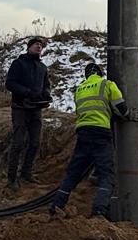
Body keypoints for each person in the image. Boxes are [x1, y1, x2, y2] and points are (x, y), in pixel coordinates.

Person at [49, 62, 128, 219]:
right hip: (101, 132)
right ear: (99, 73)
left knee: (73, 173)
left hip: (83, 132)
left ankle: (56, 206)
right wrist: (128, 115)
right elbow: (121, 109)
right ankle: (99, 211)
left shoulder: (79, 89)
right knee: (107, 175)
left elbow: (80, 111)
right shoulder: (107, 84)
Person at [5, 36, 51, 189]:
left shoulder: (42, 67)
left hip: (36, 109)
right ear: (29, 47)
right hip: (20, 108)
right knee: (18, 143)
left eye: (41, 45)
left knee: (35, 143)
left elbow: (46, 85)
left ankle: (26, 173)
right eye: (36, 44)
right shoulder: (18, 64)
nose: (39, 47)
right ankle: (12, 178)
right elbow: (10, 83)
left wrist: (46, 94)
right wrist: (27, 92)